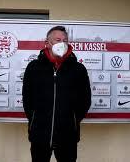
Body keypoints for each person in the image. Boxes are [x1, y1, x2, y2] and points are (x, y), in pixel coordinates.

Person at [23, 25, 91, 162]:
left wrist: (73, 119)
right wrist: (35, 119)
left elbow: (85, 100)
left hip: (67, 136)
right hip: (39, 136)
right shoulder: (33, 67)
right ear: (47, 43)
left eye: (65, 40)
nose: (62, 43)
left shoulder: (78, 69)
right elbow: (27, 98)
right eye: (58, 40)